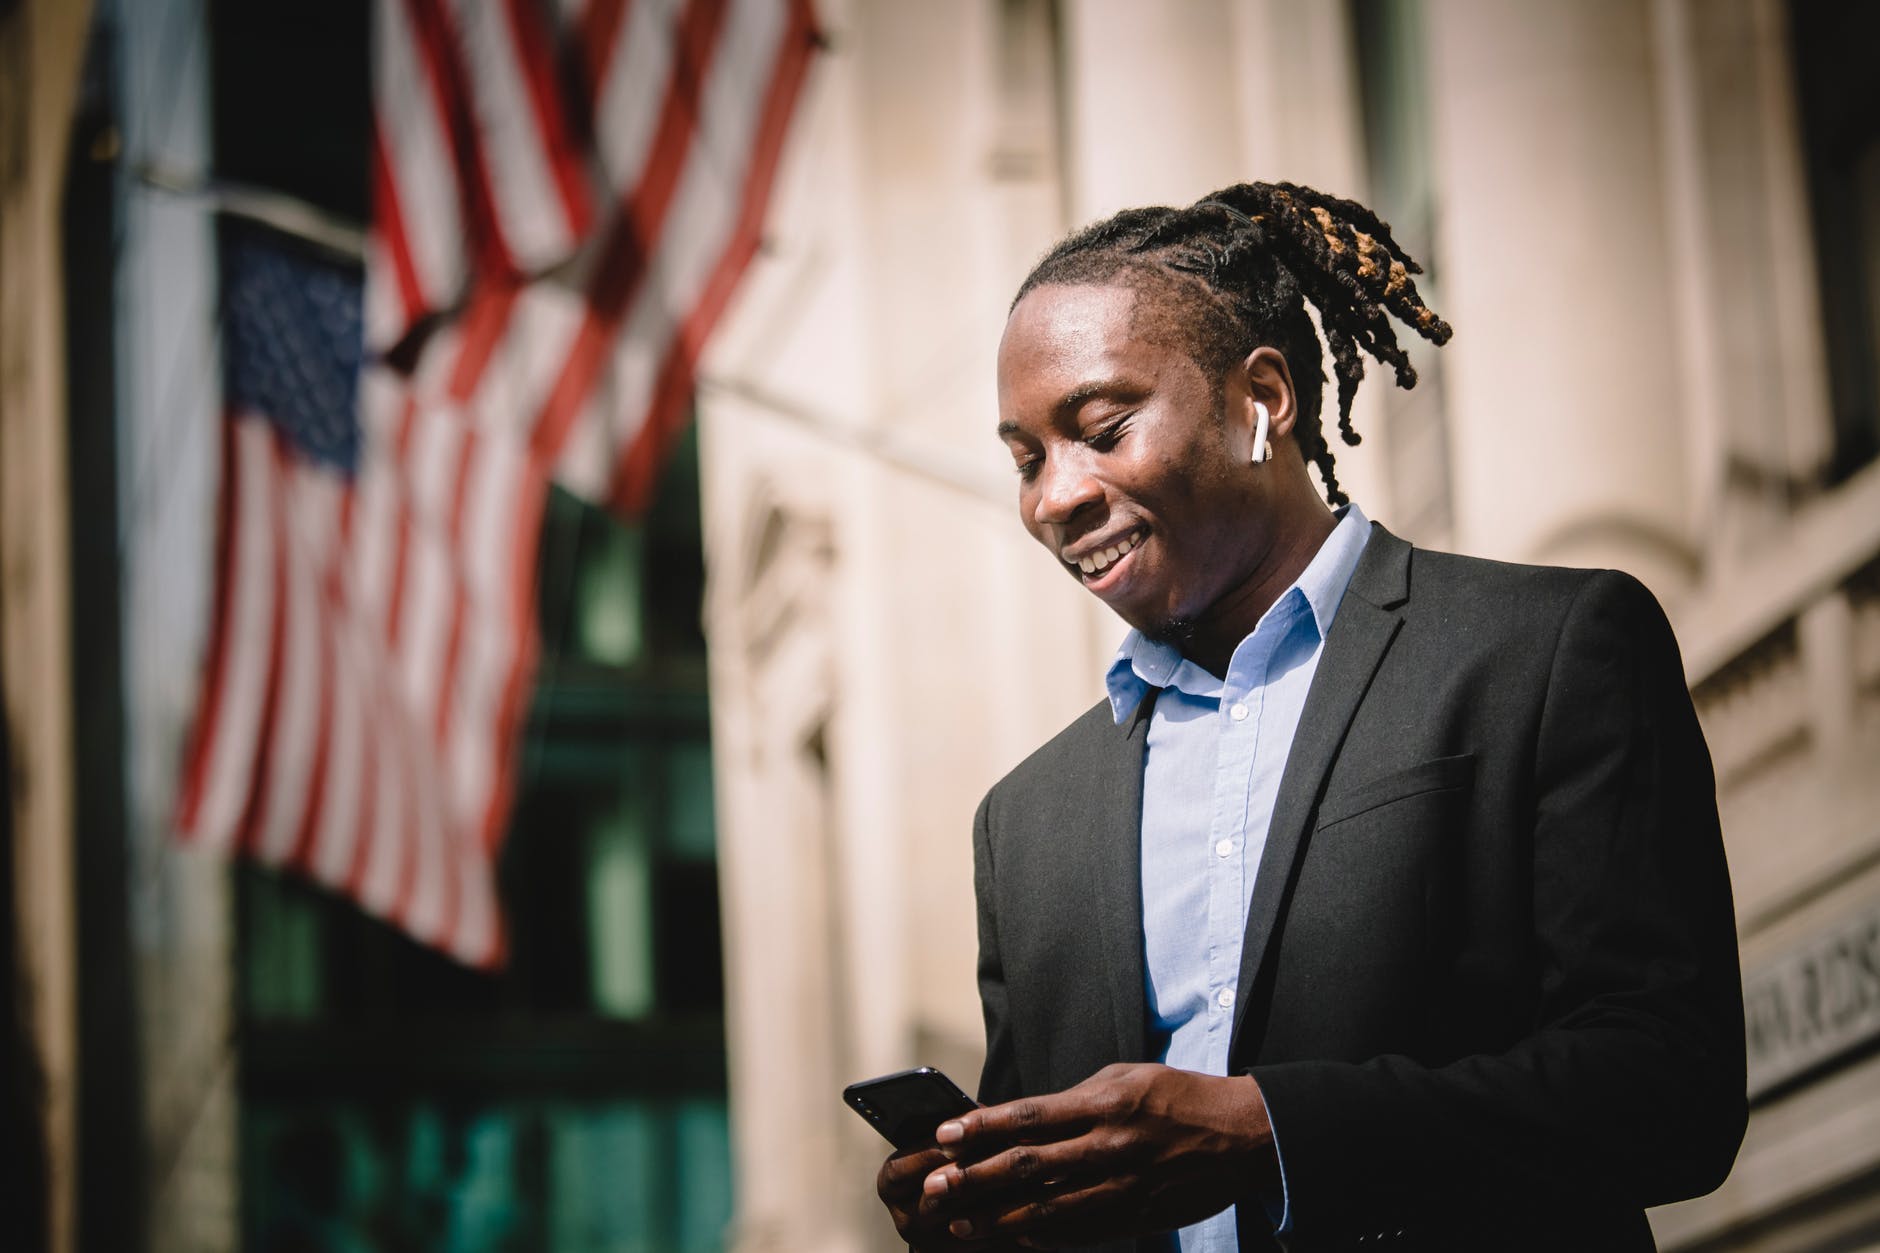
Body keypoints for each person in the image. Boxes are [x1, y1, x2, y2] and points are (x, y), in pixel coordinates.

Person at [872, 183, 1747, 1253]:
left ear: (1263, 398)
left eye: (1100, 429)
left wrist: (1266, 1132)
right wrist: (981, 1210)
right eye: (1025, 457)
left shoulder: (1543, 650)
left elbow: (1669, 1088)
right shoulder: (1024, 823)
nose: (1055, 496)